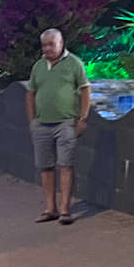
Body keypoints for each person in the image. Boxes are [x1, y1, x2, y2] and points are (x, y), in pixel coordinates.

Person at [26, 28, 90, 226]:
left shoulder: (74, 63)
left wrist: (82, 118)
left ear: (61, 44)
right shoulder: (38, 66)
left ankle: (64, 210)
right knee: (45, 167)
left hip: (66, 123)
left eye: (51, 44)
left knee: (65, 165)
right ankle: (50, 208)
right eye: (44, 45)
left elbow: (85, 89)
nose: (47, 49)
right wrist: (32, 120)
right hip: (42, 124)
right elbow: (31, 93)